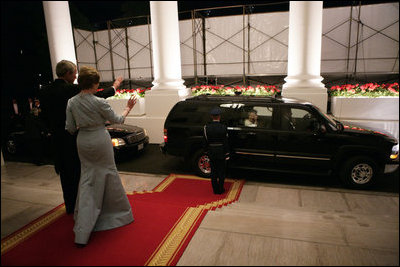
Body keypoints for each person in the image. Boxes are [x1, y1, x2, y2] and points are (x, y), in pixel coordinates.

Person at [39, 60, 122, 214]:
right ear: (68, 73)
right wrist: (115, 86)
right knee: (78, 172)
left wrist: (50, 130)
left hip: (56, 139)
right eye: (75, 72)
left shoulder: (45, 90)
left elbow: (42, 115)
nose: (76, 76)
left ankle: (70, 206)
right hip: (72, 138)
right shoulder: (70, 89)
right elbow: (97, 95)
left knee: (64, 173)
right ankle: (83, 205)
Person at [65, 66, 135, 247]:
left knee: (87, 177)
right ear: (95, 84)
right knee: (109, 173)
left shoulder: (71, 102)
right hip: (100, 139)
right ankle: (115, 213)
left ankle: (83, 225)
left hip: (83, 141)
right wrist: (128, 108)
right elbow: (118, 120)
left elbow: (71, 128)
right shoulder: (99, 102)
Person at [203, 107, 230, 194]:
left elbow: (205, 140)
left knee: (213, 171)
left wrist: (206, 151)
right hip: (221, 151)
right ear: (219, 116)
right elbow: (225, 141)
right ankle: (221, 189)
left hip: (211, 151)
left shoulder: (206, 127)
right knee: (221, 171)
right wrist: (227, 153)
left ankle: (215, 189)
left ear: (211, 116)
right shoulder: (223, 127)